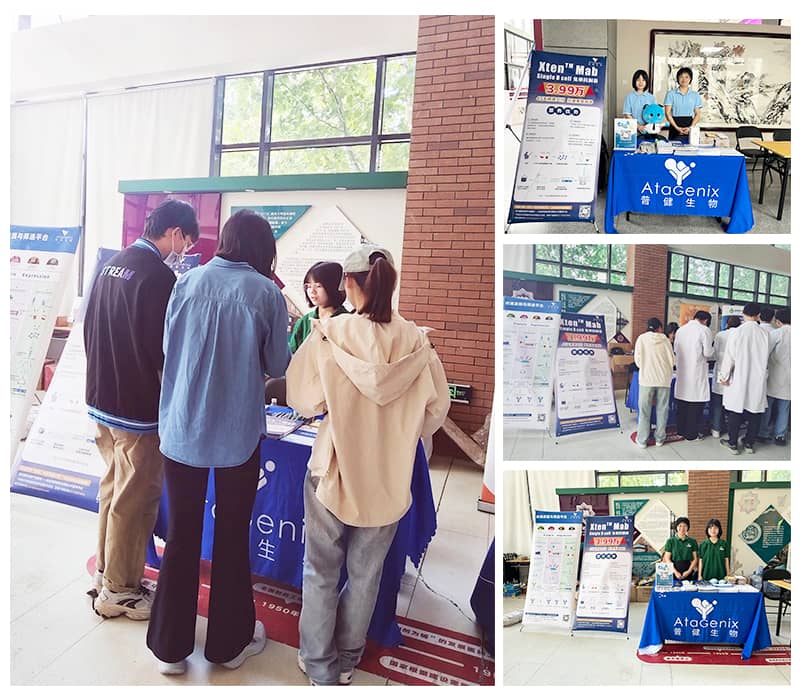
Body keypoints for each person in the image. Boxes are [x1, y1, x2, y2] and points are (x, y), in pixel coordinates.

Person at [286, 244, 451, 685]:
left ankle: (317, 663)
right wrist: (402, 426)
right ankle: (346, 660)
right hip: (389, 476)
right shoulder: (416, 340)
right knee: (366, 575)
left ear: (350, 283)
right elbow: (436, 412)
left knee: (320, 571)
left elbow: (302, 398)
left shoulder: (331, 333)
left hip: (334, 469)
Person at [146, 210, 291, 674]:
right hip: (237, 433)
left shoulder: (185, 282)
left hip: (182, 427)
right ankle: (228, 645)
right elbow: (279, 365)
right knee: (231, 535)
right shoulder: (266, 292)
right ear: (263, 249)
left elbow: (169, 348)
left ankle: (170, 649)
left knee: (181, 535)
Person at [84, 198, 199, 620]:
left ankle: (106, 574)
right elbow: (162, 349)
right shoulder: (159, 276)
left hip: (102, 397)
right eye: (187, 242)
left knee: (113, 489)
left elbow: (89, 327)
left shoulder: (111, 264)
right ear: (174, 232)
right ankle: (120, 590)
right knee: (134, 499)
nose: (184, 250)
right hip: (136, 408)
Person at [717, 302, 768, 455]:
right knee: (755, 411)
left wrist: (724, 376)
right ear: (758, 315)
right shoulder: (765, 334)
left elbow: (729, 357)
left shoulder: (737, 332)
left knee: (735, 410)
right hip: (757, 378)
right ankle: (749, 444)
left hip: (739, 376)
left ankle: (733, 443)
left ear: (743, 314)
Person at [288, 261, 349, 352]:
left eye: (318, 286)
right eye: (308, 286)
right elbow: (294, 353)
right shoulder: (304, 321)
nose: (312, 291)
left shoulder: (348, 321)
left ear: (333, 287)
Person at [633, 317, 674, 448]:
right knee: (662, 409)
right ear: (659, 327)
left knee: (644, 410)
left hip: (646, 379)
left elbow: (638, 360)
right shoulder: (665, 340)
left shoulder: (641, 339)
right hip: (663, 380)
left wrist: (646, 367)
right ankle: (660, 439)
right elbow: (672, 360)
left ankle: (642, 440)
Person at [673, 310, 713, 441]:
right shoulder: (704, 330)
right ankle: (691, 434)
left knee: (682, 404)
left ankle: (680, 431)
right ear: (706, 320)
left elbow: (675, 350)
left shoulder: (681, 330)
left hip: (682, 372)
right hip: (696, 372)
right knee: (695, 405)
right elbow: (708, 353)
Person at [758, 307, 790, 446]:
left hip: (774, 375)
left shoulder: (777, 333)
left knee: (767, 406)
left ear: (777, 321)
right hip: (790, 378)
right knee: (784, 408)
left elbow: (765, 353)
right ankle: (780, 435)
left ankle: (763, 433)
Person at [710, 316, 741, 438]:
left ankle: (716, 429)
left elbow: (714, 353)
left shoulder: (720, 335)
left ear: (727, 324)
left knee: (718, 403)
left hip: (721, 371)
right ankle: (732, 430)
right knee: (733, 405)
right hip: (735, 372)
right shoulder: (740, 335)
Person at [664, 66, 703, 142]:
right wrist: (676, 128)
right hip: (674, 126)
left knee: (690, 147)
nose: (684, 79)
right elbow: (667, 113)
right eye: (681, 77)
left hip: (690, 126)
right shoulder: (670, 94)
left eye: (686, 77)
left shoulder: (695, 95)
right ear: (677, 78)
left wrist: (690, 128)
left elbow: (697, 114)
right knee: (673, 147)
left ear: (690, 79)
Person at [663, 517, 698, 582]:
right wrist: (675, 572)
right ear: (676, 527)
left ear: (688, 527)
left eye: (685, 526)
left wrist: (688, 571)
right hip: (673, 571)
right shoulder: (670, 541)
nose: (682, 528)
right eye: (680, 526)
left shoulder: (692, 541)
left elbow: (695, 559)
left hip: (688, 571)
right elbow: (667, 558)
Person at [623, 69, 655, 136]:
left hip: (648, 130)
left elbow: (654, 114)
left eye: (643, 80)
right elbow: (627, 115)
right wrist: (638, 126)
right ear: (634, 81)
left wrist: (647, 127)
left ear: (646, 82)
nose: (641, 82)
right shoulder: (629, 97)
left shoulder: (651, 97)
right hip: (632, 130)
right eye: (638, 80)